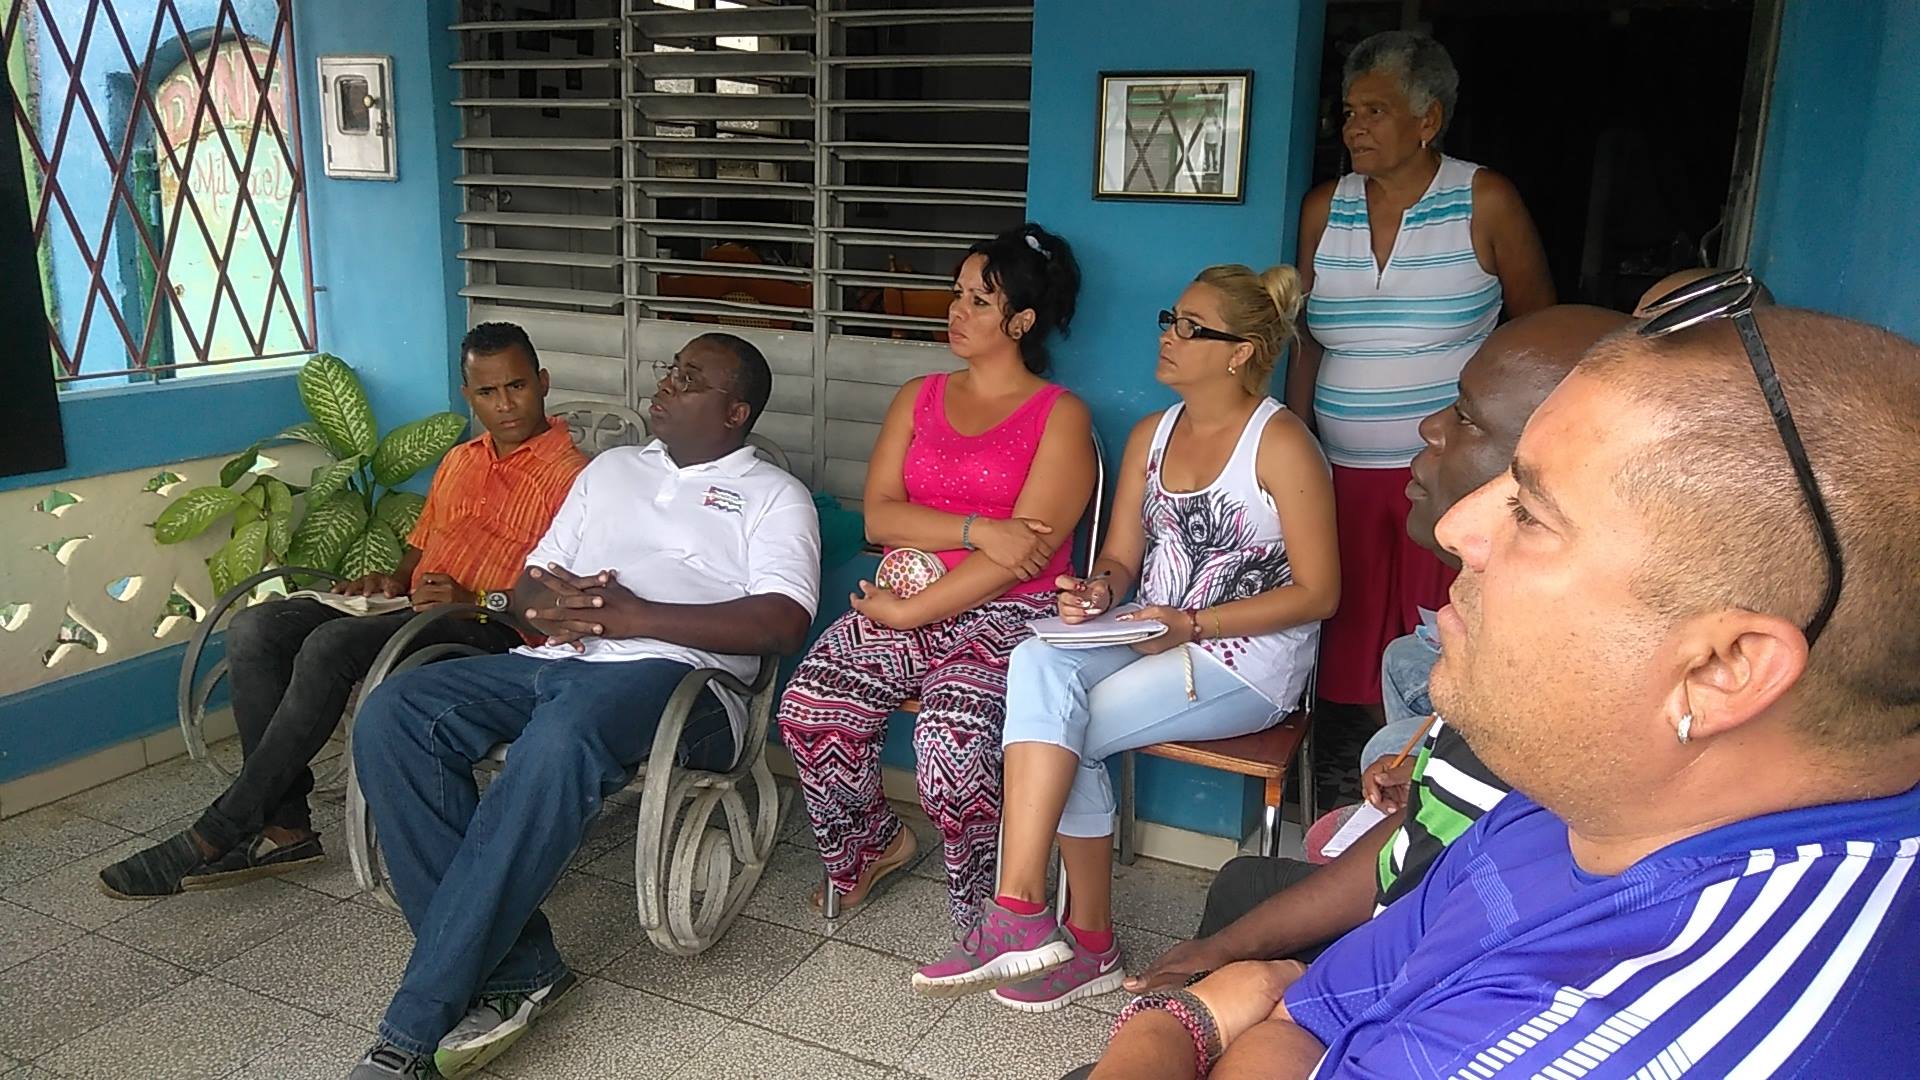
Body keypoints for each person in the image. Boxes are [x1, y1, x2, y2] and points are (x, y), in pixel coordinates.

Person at [1094, 297, 1920, 1078]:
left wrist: (1170, 1023)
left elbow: (1275, 1009)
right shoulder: (1583, 799)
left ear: (1721, 670)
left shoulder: (1616, 1038)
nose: (1460, 528)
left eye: (1531, 511)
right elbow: (1310, 1009)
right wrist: (1250, 1010)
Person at [1110, 306, 1627, 1008]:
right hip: (1401, 908)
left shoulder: (1546, 699)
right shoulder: (1509, 649)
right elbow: (1413, 847)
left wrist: (1256, 993)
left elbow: (1429, 940)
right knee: (1243, 885)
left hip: (1409, 966)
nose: (1429, 427)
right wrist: (1424, 765)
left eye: (1466, 418)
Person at [344, 333, 821, 1080]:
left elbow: (783, 621)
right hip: (559, 660)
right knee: (395, 712)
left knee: (560, 738)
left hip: (684, 684)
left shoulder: (774, 495)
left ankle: (414, 1025)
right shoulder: (611, 471)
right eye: (671, 369)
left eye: (689, 378)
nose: (667, 384)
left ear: (735, 412)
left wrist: (637, 618)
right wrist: (552, 607)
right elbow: (532, 583)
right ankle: (520, 966)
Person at [909, 264, 1339, 1010]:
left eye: (1191, 328)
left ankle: (1081, 939)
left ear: (1240, 352)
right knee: (1038, 659)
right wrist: (1098, 591)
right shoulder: (1152, 434)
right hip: (1151, 627)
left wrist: (1194, 624)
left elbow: (1319, 593)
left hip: (1242, 658)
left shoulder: (1280, 445)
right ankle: (1024, 911)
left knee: (1066, 727)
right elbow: (1121, 558)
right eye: (1171, 319)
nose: (1169, 336)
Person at [97, 323, 586, 900]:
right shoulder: (460, 461)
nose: (504, 405)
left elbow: (561, 599)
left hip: (489, 630)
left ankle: (220, 828)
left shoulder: (576, 477)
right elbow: (423, 547)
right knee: (257, 626)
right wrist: (392, 578)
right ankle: (285, 826)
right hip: (413, 609)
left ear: (542, 382)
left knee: (330, 646)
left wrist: (473, 599)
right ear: (467, 396)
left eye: (517, 386)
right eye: (487, 392)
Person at [778, 223, 1097, 930]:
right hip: (909, 589)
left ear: (1022, 320)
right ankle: (872, 847)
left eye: (980, 301)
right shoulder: (918, 397)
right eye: (956, 294)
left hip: (1010, 613)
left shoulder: (1059, 416)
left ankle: (984, 907)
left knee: (951, 743)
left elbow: (1024, 556)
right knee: (810, 706)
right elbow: (880, 516)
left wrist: (913, 611)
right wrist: (979, 528)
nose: (957, 311)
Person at [1285, 30, 1555, 720]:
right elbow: (1305, 338)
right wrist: (1296, 438)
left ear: (1427, 119)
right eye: (1350, 112)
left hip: (1446, 475)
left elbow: (1540, 336)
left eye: (1375, 111)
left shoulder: (1484, 199)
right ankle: (1361, 760)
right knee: (1347, 631)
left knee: (1437, 637)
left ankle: (1423, 756)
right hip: (1340, 468)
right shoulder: (1325, 207)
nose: (1354, 127)